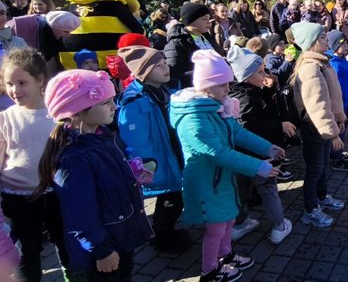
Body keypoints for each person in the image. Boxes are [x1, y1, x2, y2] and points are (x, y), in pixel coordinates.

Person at [170, 50, 284, 281]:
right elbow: (216, 152)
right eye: (223, 85)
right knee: (215, 228)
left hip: (221, 177)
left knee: (228, 218)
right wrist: (258, 166)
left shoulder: (216, 106)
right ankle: (209, 270)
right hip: (207, 180)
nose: (229, 89)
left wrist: (267, 147)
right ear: (206, 86)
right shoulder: (194, 117)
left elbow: (237, 132)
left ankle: (225, 254)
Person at [39, 69, 153, 281]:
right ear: (78, 111)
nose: (115, 106)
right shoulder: (74, 158)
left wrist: (132, 173)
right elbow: (80, 214)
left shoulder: (101, 136)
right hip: (102, 252)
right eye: (105, 102)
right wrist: (101, 250)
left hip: (118, 240)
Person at [0, 49, 68, 281]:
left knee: (65, 242)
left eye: (22, 82)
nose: (14, 90)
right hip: (19, 197)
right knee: (28, 251)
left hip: (56, 193)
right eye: (9, 83)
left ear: (40, 80)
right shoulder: (5, 118)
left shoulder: (57, 114)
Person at [116, 45, 191, 253]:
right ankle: (162, 236)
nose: (165, 68)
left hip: (170, 154)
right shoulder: (134, 102)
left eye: (165, 63)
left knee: (174, 196)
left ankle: (163, 230)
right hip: (157, 160)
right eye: (158, 66)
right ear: (144, 72)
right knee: (171, 198)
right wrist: (148, 165)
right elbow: (135, 141)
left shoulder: (164, 90)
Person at [227, 46, 294, 243]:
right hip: (257, 155)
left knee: (242, 190)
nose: (264, 74)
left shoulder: (248, 91)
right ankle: (279, 226)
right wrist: (279, 126)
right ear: (245, 77)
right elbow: (251, 127)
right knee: (269, 190)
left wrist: (270, 88)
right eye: (259, 72)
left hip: (241, 157)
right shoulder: (246, 98)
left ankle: (240, 224)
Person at [289, 22, 347, 228]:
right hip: (315, 129)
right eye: (321, 38)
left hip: (322, 128)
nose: (326, 40)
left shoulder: (321, 63)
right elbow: (318, 106)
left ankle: (322, 196)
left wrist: (339, 119)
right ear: (311, 43)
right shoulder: (311, 69)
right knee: (314, 169)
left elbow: (332, 98)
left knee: (321, 167)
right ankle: (310, 209)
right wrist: (333, 134)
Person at [164, 3, 222, 88]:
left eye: (209, 19)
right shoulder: (177, 43)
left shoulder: (207, 37)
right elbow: (174, 76)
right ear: (191, 21)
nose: (208, 22)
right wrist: (206, 70)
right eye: (204, 19)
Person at [326, 31, 348, 172]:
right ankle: (336, 159)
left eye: (346, 43)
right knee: (339, 131)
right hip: (339, 106)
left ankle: (336, 154)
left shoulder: (342, 60)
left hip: (347, 103)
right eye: (341, 44)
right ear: (333, 47)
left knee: (342, 130)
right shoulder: (334, 65)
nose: (345, 46)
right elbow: (334, 89)